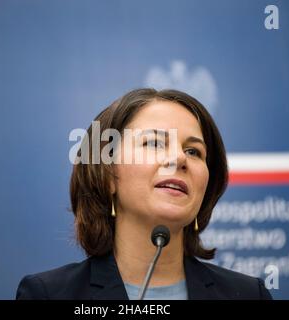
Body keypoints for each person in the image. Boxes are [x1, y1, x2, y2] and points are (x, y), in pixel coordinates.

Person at [16, 88, 272, 300]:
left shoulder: (250, 295)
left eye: (194, 151)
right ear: (106, 175)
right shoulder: (48, 295)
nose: (179, 158)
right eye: (154, 143)